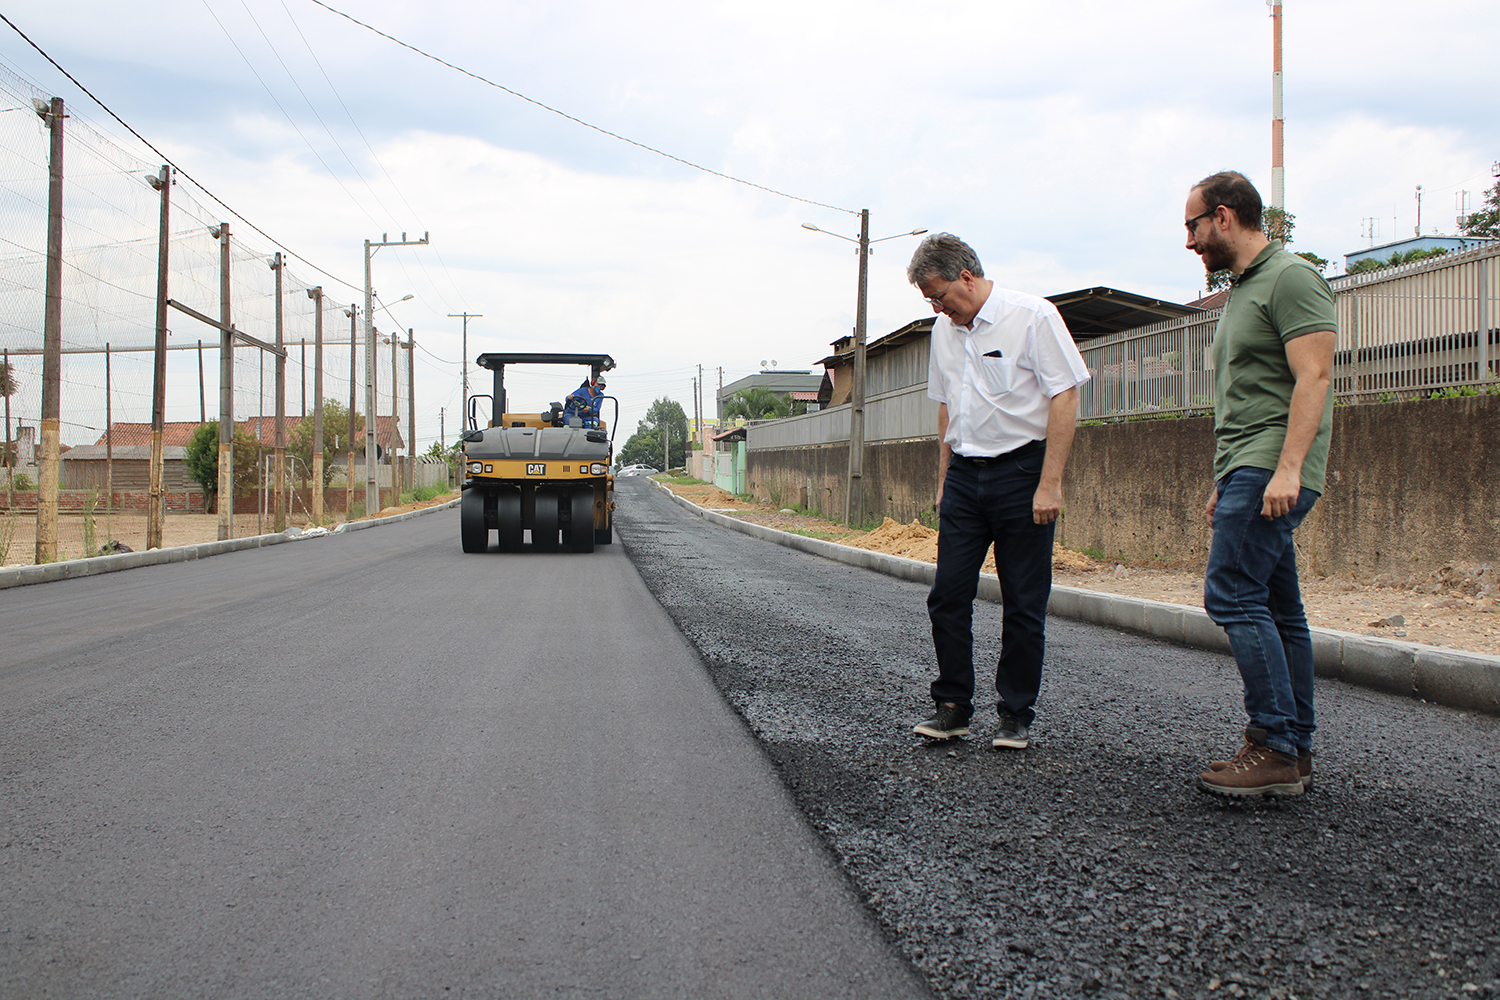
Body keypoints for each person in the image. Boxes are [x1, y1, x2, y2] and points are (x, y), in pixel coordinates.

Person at [1184, 171, 1336, 799]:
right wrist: (1229, 477)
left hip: (1274, 462)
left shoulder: (1291, 278)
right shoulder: (1244, 289)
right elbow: (1247, 395)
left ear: (1223, 216)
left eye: (1192, 226)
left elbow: (1315, 376)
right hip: (1250, 464)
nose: (1189, 242)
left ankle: (1272, 742)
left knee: (1231, 593)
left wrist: (1288, 468)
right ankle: (1291, 749)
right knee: (1277, 607)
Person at [907, 233, 1091, 749]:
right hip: (965, 476)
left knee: (1023, 601)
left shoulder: (1033, 317)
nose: (938, 307)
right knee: (948, 595)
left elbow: (1064, 395)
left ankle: (1015, 713)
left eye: (940, 295)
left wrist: (1050, 483)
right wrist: (945, 478)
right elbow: (945, 405)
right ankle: (952, 707)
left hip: (1022, 474)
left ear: (967, 276)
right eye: (929, 301)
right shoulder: (943, 333)